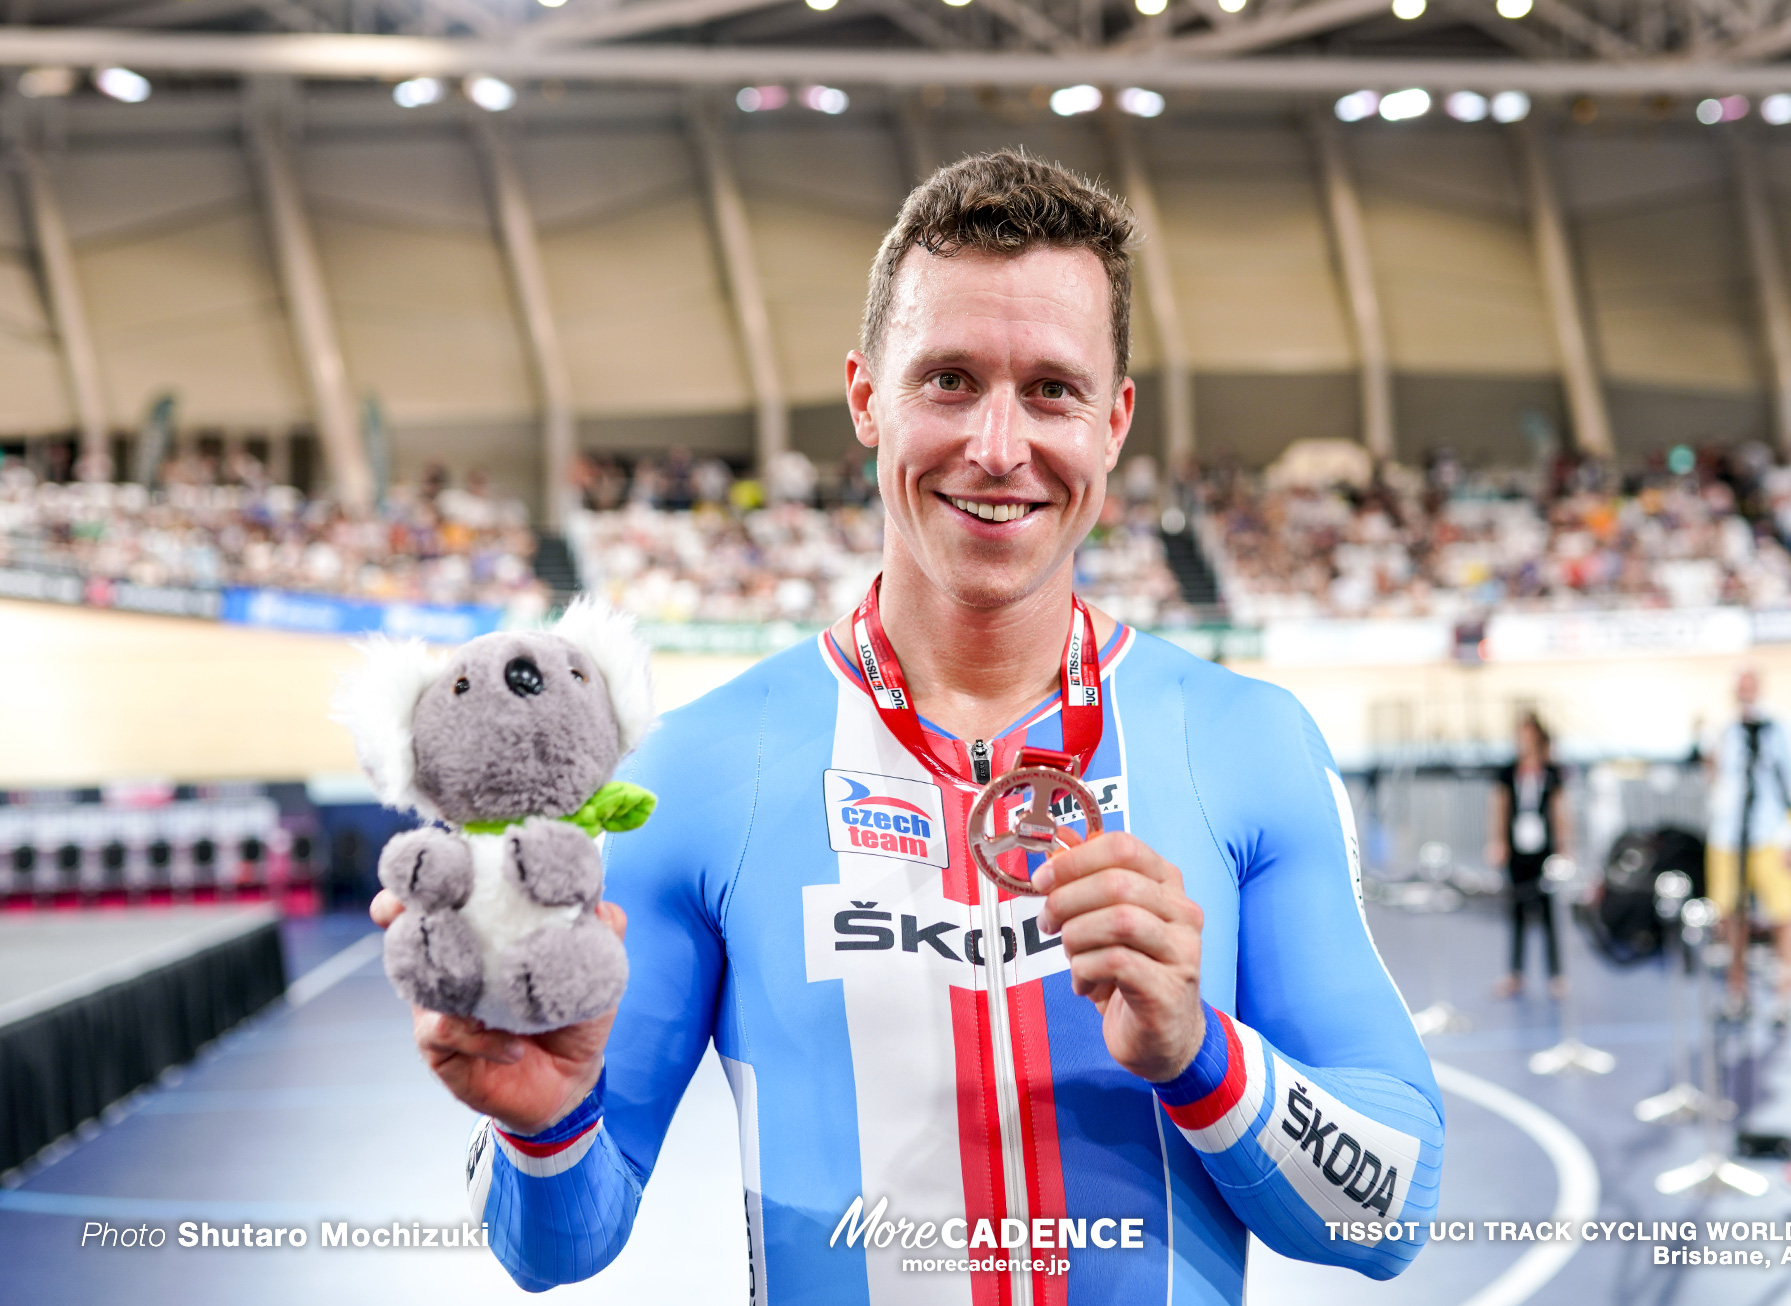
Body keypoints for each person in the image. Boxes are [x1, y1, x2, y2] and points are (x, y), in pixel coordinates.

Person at [372, 150, 1441, 1301]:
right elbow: (555, 1244)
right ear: (865, 396)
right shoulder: (705, 768)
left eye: (1052, 390)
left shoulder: (1245, 743)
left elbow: (1390, 1210)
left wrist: (1201, 1055)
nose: (996, 446)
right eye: (947, 380)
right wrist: (539, 1125)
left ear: (1115, 420)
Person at [1704, 667, 1791, 1024]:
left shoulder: (1781, 730)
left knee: (1785, 914)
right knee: (1730, 915)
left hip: (1771, 835)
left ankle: (1785, 996)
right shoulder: (1725, 732)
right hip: (1728, 836)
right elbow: (1718, 780)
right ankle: (1737, 989)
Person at [1488, 712, 1572, 999]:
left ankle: (1555, 976)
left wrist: (1564, 848)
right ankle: (1515, 974)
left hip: (1543, 849)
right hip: (1517, 850)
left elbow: (1560, 812)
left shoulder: (1551, 772)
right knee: (1517, 914)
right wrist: (1498, 841)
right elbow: (1499, 807)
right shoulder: (1508, 771)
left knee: (1548, 914)